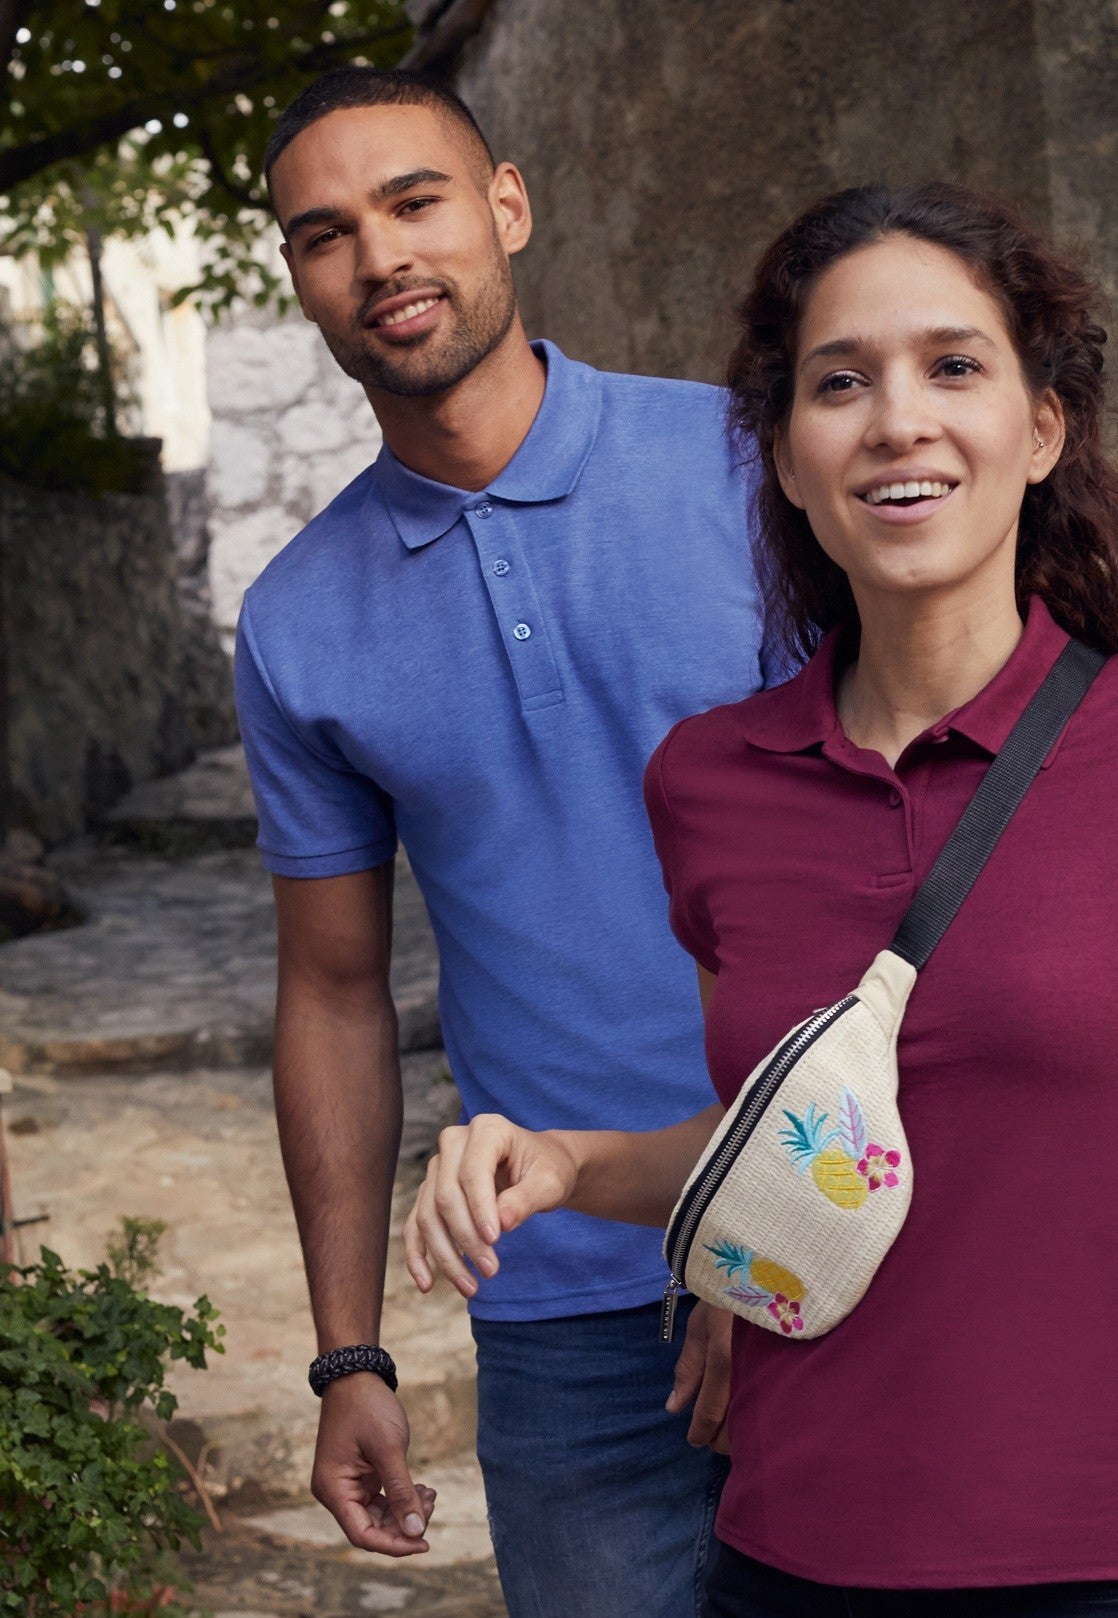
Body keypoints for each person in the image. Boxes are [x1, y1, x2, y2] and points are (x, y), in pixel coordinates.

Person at [404, 182, 1118, 1616]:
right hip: (784, 1564)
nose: (898, 420)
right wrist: (562, 1162)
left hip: (1099, 1565)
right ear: (786, 458)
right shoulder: (711, 780)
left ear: (1042, 430)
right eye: (840, 383)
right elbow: (804, 1144)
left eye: (954, 366)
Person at [238, 65, 764, 1618]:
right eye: (327, 233)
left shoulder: (753, 465)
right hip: (566, 1317)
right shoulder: (297, 620)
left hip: (857, 1238)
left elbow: (909, 832)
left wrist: (771, 1229)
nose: (381, 257)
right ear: (300, 280)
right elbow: (334, 991)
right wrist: (348, 1353)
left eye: (416, 201)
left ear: (507, 206)